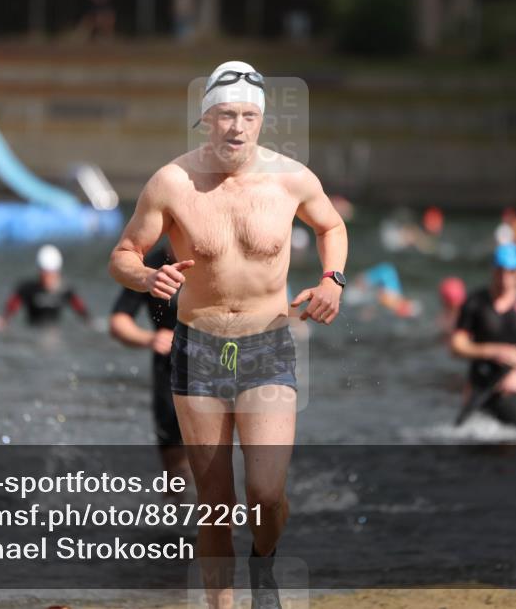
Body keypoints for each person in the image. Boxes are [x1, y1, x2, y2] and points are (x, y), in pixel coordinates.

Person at [109, 61, 347, 609]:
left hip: (266, 344)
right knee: (214, 501)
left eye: (247, 116)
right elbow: (122, 255)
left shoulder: (292, 178)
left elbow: (331, 225)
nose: (236, 127)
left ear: (260, 120)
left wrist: (333, 280)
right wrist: (148, 275)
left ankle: (263, 561)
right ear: (205, 120)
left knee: (265, 495)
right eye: (224, 116)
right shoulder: (172, 182)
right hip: (199, 349)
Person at [109, 242, 192, 496]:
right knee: (174, 462)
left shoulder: (217, 256)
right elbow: (118, 321)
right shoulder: (152, 264)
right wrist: (149, 338)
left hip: (214, 363)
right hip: (168, 368)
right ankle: (176, 522)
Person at [449, 244, 516, 426]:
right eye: (500, 271)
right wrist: (493, 351)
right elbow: (456, 345)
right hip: (480, 381)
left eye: (511, 272)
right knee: (463, 440)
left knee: (511, 444)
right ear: (493, 270)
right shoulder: (475, 302)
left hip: (512, 387)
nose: (505, 278)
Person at [0, 245, 89, 329]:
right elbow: (11, 307)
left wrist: (89, 322)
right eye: (45, 274)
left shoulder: (65, 290)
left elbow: (81, 310)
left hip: (55, 334)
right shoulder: (28, 289)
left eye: (51, 274)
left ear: (57, 273)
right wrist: (3, 320)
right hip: (33, 332)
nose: (48, 278)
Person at [355, 262, 420, 318]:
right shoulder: (394, 303)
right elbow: (380, 297)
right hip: (385, 274)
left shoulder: (397, 300)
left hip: (387, 271)